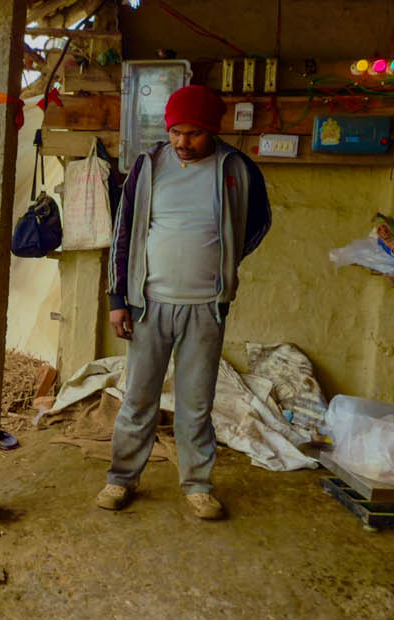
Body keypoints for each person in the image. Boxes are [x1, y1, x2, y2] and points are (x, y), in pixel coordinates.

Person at [96, 83, 270, 521]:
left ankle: (197, 485)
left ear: (212, 130)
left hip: (206, 308)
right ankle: (121, 478)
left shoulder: (236, 168)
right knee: (138, 398)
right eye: (175, 132)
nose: (181, 142)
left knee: (196, 403)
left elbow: (259, 223)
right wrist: (119, 298)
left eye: (192, 133)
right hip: (149, 304)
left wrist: (222, 258)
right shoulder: (149, 166)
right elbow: (123, 233)